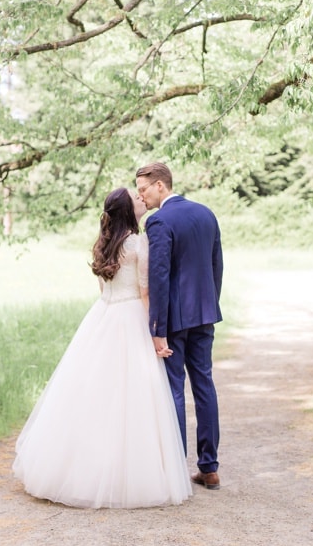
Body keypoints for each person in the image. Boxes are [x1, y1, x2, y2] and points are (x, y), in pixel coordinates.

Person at [13, 188, 192, 508]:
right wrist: (156, 335)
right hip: (131, 318)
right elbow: (146, 292)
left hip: (104, 316)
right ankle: (129, 475)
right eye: (136, 200)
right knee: (134, 394)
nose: (142, 201)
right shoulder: (138, 244)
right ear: (128, 211)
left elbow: (104, 289)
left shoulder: (103, 245)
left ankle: (78, 468)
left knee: (95, 394)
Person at [135, 162, 224, 490]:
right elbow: (217, 264)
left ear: (161, 186)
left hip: (173, 320)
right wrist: (209, 303)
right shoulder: (206, 214)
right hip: (204, 314)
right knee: (204, 385)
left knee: (173, 388)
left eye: (143, 189)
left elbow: (158, 277)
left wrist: (156, 327)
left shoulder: (158, 221)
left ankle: (176, 469)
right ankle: (210, 467)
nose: (141, 197)